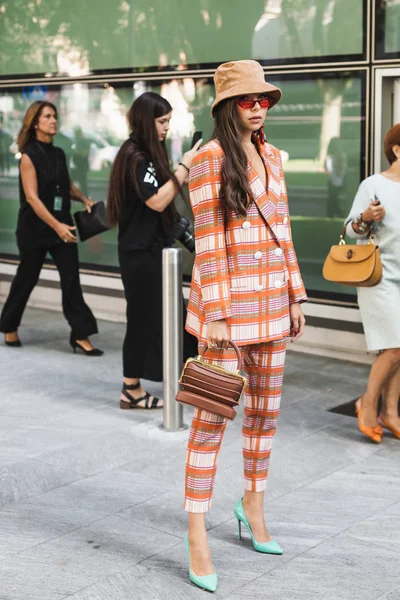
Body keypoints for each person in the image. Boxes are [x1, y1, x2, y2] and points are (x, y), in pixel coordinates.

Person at [183, 60, 307, 592]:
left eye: (264, 100)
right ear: (225, 107)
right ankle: (195, 534)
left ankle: (252, 505)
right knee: (211, 422)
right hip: (226, 316)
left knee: (264, 417)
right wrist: (215, 316)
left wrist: (296, 294)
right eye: (247, 100)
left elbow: (284, 230)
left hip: (274, 308)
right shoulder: (208, 160)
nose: (258, 107)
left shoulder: (275, 157)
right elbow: (209, 243)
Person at [107, 92, 201, 410]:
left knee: (174, 317)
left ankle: (185, 378)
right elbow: (157, 201)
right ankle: (130, 388)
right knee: (142, 320)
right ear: (147, 120)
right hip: (139, 254)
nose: (166, 129)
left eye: (168, 122)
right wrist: (184, 167)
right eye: (162, 122)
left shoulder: (148, 152)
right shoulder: (135, 156)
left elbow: (164, 210)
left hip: (156, 250)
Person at [0, 101, 103, 356]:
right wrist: (56, 226)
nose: (53, 120)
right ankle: (9, 325)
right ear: (35, 122)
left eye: (55, 116)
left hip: (62, 224)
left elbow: (66, 186)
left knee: (71, 280)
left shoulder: (58, 154)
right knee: (27, 278)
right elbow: (33, 198)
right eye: (47, 116)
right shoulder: (28, 156)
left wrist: (85, 200)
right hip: (35, 229)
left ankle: (80, 335)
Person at [345, 123, 400, 443]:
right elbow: (350, 230)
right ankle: (368, 404)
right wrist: (366, 217)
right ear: (396, 150)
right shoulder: (373, 185)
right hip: (380, 277)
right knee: (393, 348)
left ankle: (390, 413)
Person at [325, 136, 347, 218]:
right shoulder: (331, 157)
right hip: (334, 180)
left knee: (333, 198)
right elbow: (330, 169)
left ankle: (335, 212)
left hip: (336, 180)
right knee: (333, 198)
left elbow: (341, 169)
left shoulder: (339, 156)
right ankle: (335, 213)